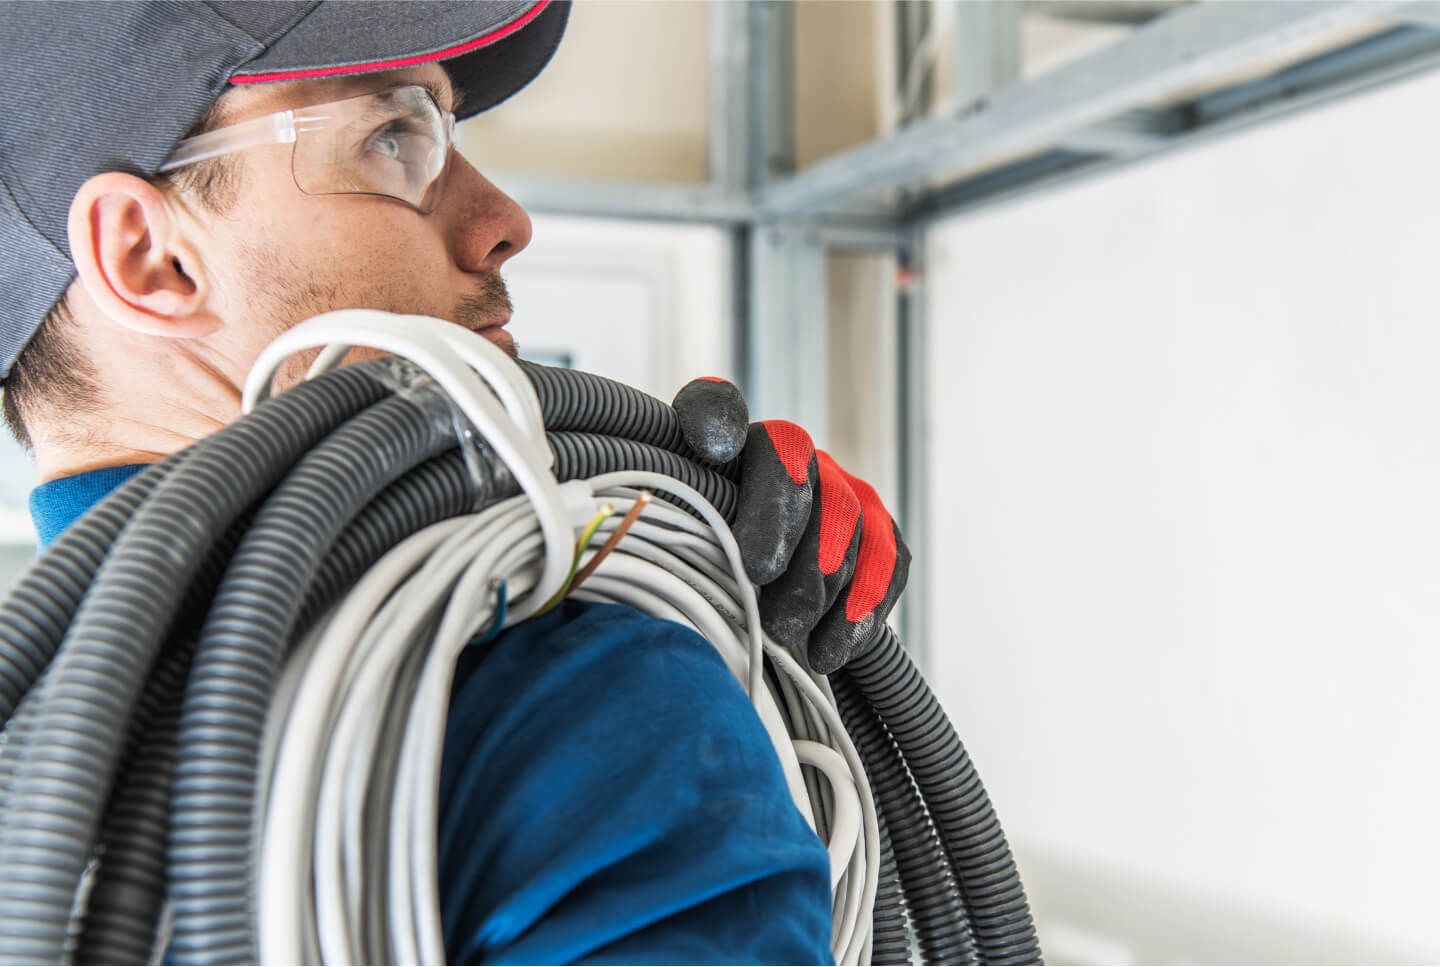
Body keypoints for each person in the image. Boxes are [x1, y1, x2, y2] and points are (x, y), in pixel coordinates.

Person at [0, 2, 909, 961]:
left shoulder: (31, 758)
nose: (505, 222)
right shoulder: (575, 705)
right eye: (392, 136)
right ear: (149, 257)